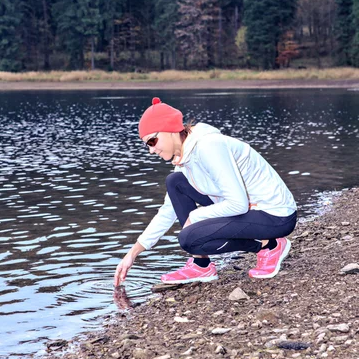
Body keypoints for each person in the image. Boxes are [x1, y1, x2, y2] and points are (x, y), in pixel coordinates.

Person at [114, 97, 297, 287]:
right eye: (147, 145)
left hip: (276, 215)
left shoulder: (209, 146)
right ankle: (201, 264)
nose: (151, 150)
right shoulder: (184, 161)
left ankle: (270, 246)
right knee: (175, 182)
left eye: (152, 141)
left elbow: (238, 203)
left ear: (170, 130)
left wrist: (196, 215)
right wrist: (132, 253)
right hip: (249, 212)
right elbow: (168, 211)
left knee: (188, 238)